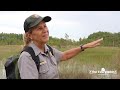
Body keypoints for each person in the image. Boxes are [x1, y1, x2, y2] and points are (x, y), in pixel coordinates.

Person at [18, 14, 103, 79]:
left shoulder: (48, 49)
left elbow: (65, 55)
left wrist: (83, 47)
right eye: (39, 28)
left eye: (45, 26)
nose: (45, 30)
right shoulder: (27, 57)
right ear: (30, 35)